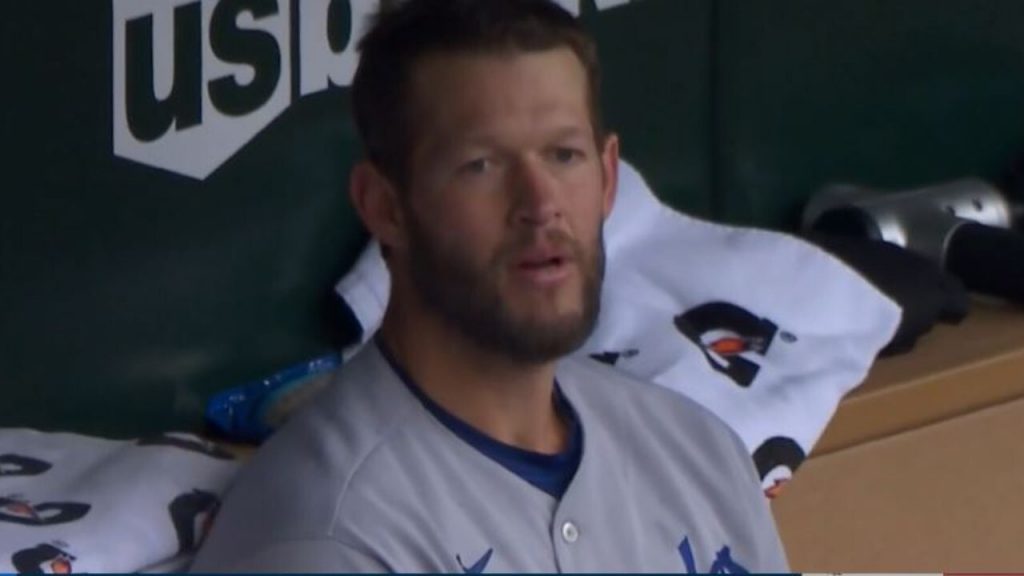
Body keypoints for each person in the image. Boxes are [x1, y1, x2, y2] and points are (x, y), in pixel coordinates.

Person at [191, 0, 788, 571]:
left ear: (608, 179)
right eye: (481, 165)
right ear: (384, 207)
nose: (540, 204)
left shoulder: (698, 452)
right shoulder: (327, 536)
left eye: (564, 155)